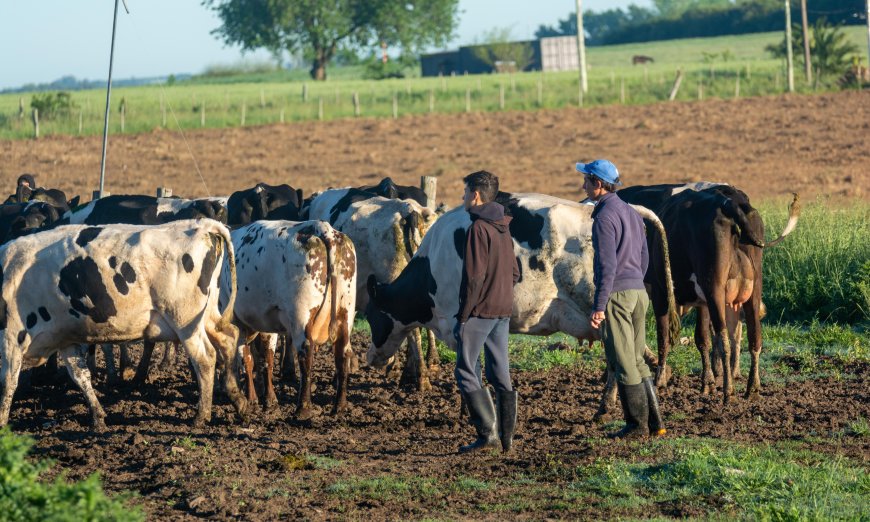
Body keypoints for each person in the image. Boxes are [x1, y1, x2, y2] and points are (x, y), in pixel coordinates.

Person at [578, 159, 666, 439]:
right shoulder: (631, 212)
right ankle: (656, 423)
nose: (583, 185)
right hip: (639, 293)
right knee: (638, 359)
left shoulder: (604, 217)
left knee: (624, 361)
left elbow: (606, 264)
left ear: (599, 184)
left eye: (587, 180)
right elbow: (644, 256)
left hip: (617, 295)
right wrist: (636, 282)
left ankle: (636, 426)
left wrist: (599, 305)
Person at [453, 170, 520, 453]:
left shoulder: (478, 229)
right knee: (500, 372)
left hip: (480, 312)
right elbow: (516, 272)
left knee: (466, 370)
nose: (463, 197)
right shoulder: (503, 226)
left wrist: (464, 315)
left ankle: (487, 435)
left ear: (476, 195)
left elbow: (474, 277)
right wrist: (500, 293)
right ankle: (507, 439)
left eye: (466, 192)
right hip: (503, 310)